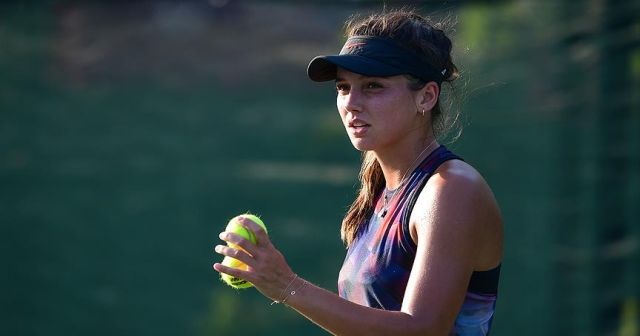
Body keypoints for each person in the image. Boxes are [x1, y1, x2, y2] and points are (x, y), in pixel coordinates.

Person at [213, 8, 503, 336]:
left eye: (373, 86)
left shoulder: (451, 189)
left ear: (426, 96)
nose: (351, 102)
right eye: (343, 87)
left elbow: (422, 330)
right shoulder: (380, 191)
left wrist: (286, 286)